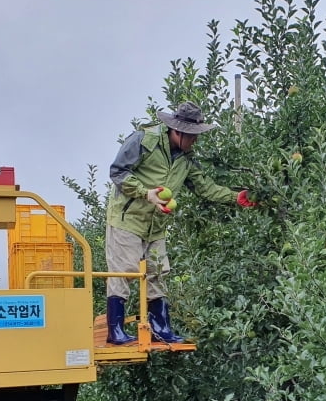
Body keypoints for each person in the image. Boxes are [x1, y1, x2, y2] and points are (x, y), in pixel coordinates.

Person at [104, 101, 256, 344]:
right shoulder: (145, 140)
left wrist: (234, 197)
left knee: (158, 273)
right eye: (192, 136)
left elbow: (204, 187)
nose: (195, 140)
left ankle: (160, 328)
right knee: (124, 271)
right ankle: (115, 330)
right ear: (178, 131)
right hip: (127, 219)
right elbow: (117, 172)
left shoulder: (186, 158)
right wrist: (146, 193)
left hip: (155, 225)